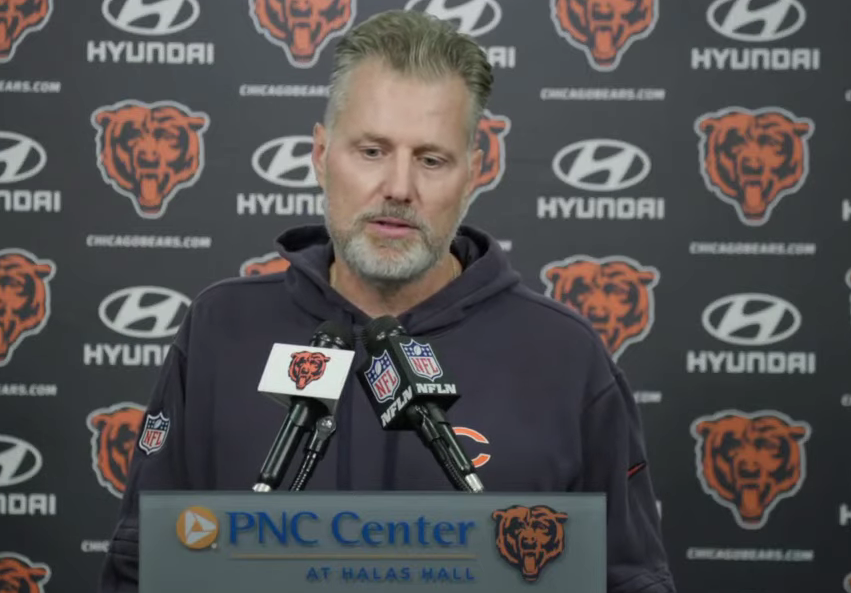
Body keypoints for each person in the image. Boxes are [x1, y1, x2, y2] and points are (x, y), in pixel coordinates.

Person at [99, 9, 676, 592]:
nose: (399, 188)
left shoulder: (565, 358)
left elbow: (627, 580)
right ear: (320, 155)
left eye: (431, 159)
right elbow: (144, 564)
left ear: (473, 174)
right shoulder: (222, 329)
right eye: (372, 151)